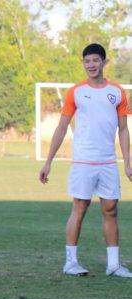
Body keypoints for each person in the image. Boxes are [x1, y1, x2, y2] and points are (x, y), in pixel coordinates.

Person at [39, 43, 131, 278]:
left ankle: (113, 265)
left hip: (108, 162)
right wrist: (48, 161)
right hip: (82, 161)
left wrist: (128, 161)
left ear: (104, 62)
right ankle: (70, 263)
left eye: (95, 60)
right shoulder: (75, 92)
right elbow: (61, 127)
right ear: (83, 63)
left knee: (111, 210)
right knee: (79, 208)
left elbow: (123, 129)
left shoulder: (118, 92)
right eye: (87, 61)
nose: (91, 65)